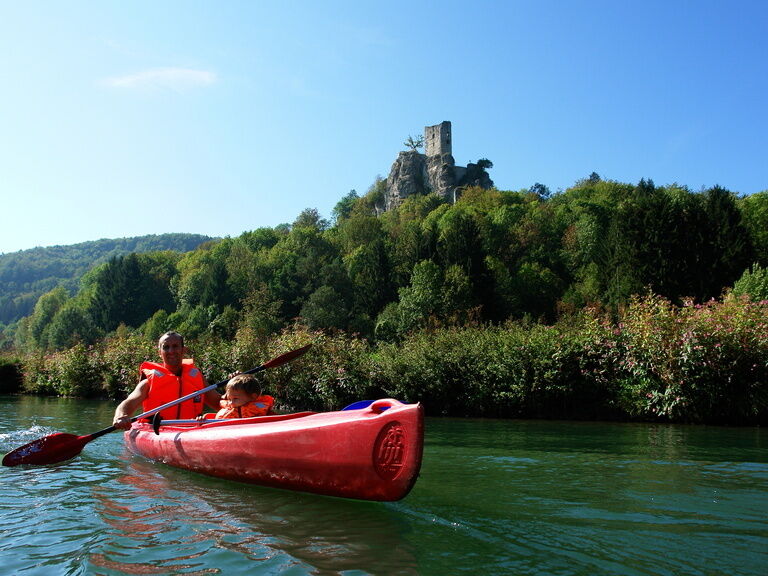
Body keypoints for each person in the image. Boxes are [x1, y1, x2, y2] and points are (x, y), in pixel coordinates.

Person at [113, 331, 221, 429]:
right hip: (158, 431)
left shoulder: (196, 377)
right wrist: (120, 416)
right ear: (160, 352)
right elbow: (129, 403)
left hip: (191, 431)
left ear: (183, 350)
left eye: (175, 346)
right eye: (166, 347)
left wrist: (236, 384)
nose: (171, 351)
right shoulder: (149, 381)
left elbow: (219, 402)